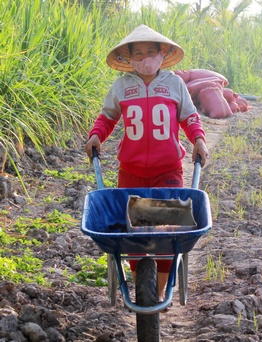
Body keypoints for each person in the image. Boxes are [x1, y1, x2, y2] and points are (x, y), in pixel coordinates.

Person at [84, 24, 209, 302]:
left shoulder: (174, 84)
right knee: (133, 233)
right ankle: (142, 284)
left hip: (168, 170)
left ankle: (161, 289)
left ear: (162, 54)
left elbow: (189, 117)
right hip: (131, 171)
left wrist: (198, 139)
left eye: (150, 52)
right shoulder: (122, 86)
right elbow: (107, 117)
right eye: (138, 53)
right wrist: (96, 136)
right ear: (129, 58)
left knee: (166, 233)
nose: (145, 58)